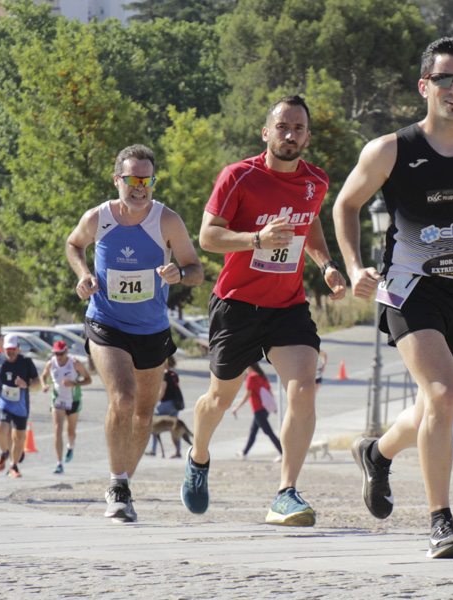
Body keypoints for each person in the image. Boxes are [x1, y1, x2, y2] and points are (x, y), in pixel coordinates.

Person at [332, 37, 453, 558]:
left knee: (432, 405)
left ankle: (376, 453)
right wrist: (355, 267)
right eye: (444, 79)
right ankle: (440, 521)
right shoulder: (391, 150)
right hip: (407, 289)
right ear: (425, 87)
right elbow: (346, 205)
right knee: (443, 394)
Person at [180, 95, 347, 527]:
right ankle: (198, 458)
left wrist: (326, 265)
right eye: (282, 127)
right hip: (237, 304)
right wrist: (256, 239)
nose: (290, 135)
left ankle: (285, 493)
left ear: (307, 136)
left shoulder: (316, 181)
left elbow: (309, 225)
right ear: (266, 131)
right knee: (220, 399)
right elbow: (208, 238)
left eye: (298, 129)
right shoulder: (238, 176)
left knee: (304, 389)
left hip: (287, 305)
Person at [65, 143, 203, 523]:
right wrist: (84, 276)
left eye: (147, 179)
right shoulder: (98, 218)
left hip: (152, 329)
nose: (140, 187)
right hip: (106, 322)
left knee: (144, 416)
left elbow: (196, 269)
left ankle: (125, 481)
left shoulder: (167, 221)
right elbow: (74, 244)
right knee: (123, 399)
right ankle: (117, 485)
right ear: (117, 180)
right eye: (133, 180)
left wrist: (179, 274)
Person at [0, 336, 40, 478]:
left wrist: (26, 385)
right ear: (4, 348)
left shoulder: (26, 362)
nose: (10, 352)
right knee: (0, 427)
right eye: (8, 349)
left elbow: (37, 381)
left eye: (13, 349)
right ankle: (4, 452)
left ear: (18, 348)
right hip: (3, 402)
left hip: (20, 405)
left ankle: (13, 466)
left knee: (18, 438)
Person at [41, 340, 91, 474]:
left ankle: (70, 445)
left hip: (73, 399)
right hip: (57, 399)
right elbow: (43, 376)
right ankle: (59, 463)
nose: (58, 356)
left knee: (70, 432)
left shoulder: (75, 364)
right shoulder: (51, 363)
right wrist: (44, 385)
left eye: (61, 353)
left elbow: (88, 379)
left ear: (66, 352)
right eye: (56, 353)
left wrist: (74, 383)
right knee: (58, 428)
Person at [230, 363, 282, 459]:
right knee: (253, 431)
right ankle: (244, 453)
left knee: (268, 432)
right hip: (265, 410)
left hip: (258, 410)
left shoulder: (251, 378)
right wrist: (273, 407)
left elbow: (247, 395)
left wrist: (237, 407)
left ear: (250, 367)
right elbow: (270, 393)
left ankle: (283, 452)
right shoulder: (262, 377)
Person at [147, 355, 184, 456]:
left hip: (167, 403)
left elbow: (163, 390)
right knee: (175, 427)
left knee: (153, 422)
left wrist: (156, 401)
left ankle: (153, 449)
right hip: (176, 404)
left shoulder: (165, 375)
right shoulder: (174, 375)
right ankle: (178, 451)